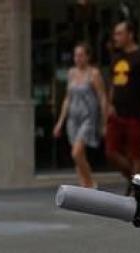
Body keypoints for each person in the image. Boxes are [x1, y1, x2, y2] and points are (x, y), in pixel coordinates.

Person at [105, 20, 140, 191]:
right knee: (111, 152)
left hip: (136, 113)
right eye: (115, 34)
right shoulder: (116, 58)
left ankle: (139, 192)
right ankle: (137, 179)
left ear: (130, 34)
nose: (116, 37)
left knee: (136, 155)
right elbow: (113, 84)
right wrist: (109, 104)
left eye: (119, 34)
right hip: (117, 113)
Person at [52, 43, 110, 189]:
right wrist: (60, 122)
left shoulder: (94, 73)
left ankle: (91, 183)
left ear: (88, 57)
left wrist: (104, 121)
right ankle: (83, 185)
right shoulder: (71, 73)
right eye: (75, 55)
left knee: (76, 153)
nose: (77, 58)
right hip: (73, 117)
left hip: (88, 116)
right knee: (79, 155)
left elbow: (102, 97)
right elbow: (67, 98)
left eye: (81, 55)